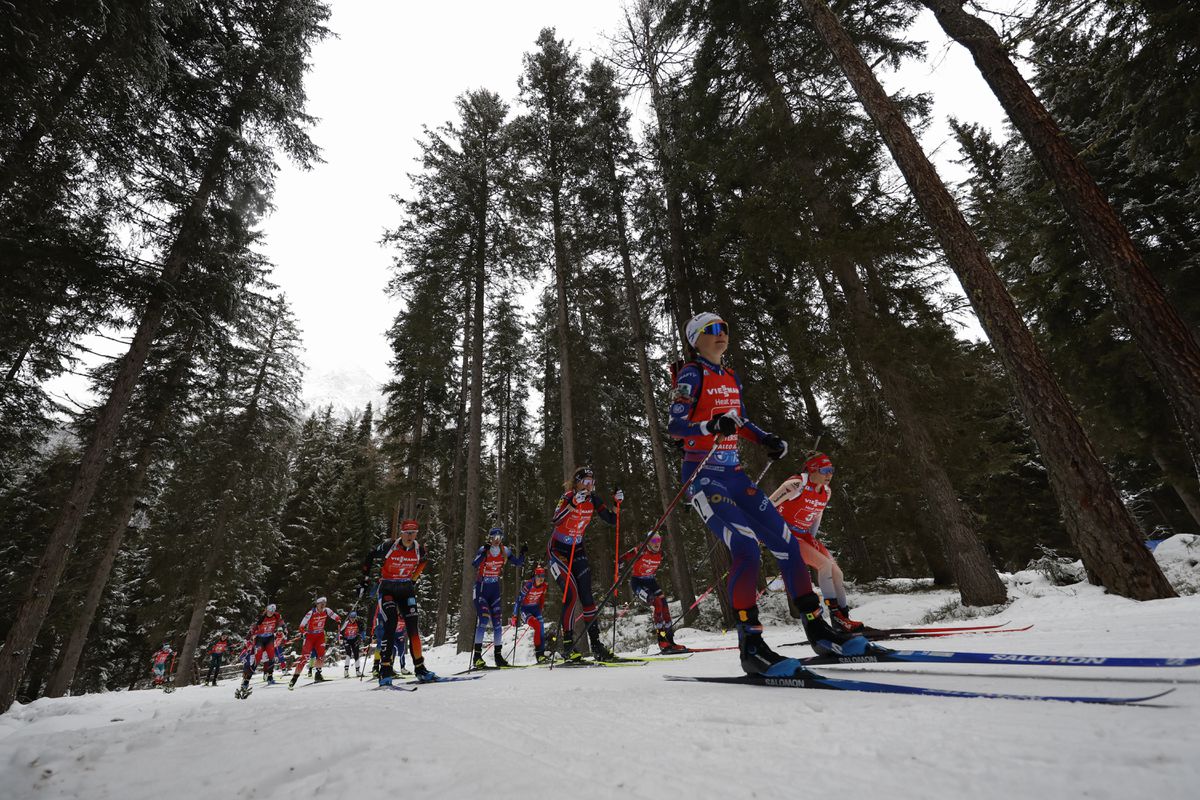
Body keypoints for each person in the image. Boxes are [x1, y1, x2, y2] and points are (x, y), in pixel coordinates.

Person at [668, 312, 867, 675]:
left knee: (788, 544)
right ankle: (752, 643)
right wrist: (710, 424)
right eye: (712, 330)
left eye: (725, 328)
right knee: (745, 546)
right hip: (704, 475)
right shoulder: (690, 374)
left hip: (735, 474)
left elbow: (740, 418)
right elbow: (675, 424)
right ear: (695, 338)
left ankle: (818, 629)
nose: (721, 334)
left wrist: (765, 439)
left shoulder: (729, 376)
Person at [770, 452, 863, 632]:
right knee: (824, 566)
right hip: (786, 535)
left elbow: (816, 515)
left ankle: (843, 619)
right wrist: (764, 532)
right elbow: (765, 505)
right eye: (825, 470)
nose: (829, 475)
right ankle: (837, 617)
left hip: (804, 535)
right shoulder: (796, 484)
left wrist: (812, 540)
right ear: (812, 470)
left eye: (832, 470)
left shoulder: (826, 492)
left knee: (837, 573)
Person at [546, 467, 623, 662]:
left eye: (592, 482)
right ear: (577, 483)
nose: (589, 485)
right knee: (571, 595)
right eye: (585, 481)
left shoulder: (594, 500)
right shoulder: (567, 496)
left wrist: (617, 503)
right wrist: (572, 504)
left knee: (587, 598)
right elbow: (556, 520)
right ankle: (568, 647)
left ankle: (596, 646)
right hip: (558, 551)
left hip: (577, 549)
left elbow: (611, 520)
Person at [362, 518, 436, 684]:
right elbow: (370, 555)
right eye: (407, 533)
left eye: (413, 533)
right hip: (387, 588)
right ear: (402, 533)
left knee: (412, 628)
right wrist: (365, 579)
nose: (410, 536)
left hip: (405, 589)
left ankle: (420, 668)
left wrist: (414, 579)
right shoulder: (390, 546)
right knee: (391, 624)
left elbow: (423, 563)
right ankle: (385, 669)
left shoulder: (419, 549)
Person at [471, 526, 527, 669]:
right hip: (481, 588)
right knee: (483, 619)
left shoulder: (504, 550)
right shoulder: (484, 549)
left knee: (497, 623)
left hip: (494, 589)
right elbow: (475, 564)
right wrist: (483, 552)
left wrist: (523, 554)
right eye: (494, 537)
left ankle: (498, 656)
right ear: (489, 538)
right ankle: (477, 657)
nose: (496, 540)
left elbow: (519, 563)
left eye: (499, 537)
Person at [622, 532, 687, 653]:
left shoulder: (661, 553)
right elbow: (623, 557)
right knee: (657, 603)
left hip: (651, 581)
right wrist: (620, 564)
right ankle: (662, 641)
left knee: (665, 607)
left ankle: (670, 641)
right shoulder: (641, 549)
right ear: (648, 542)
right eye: (654, 541)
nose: (657, 544)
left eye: (659, 540)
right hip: (638, 583)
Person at [289, 597, 341, 689]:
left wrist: (338, 619)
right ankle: (294, 679)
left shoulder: (327, 610)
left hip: (320, 636)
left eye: (324, 603)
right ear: (317, 604)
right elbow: (301, 626)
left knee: (321, 656)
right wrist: (304, 633)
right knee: (305, 658)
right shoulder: (311, 613)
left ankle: (318, 674)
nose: (323, 605)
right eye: (321, 604)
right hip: (310, 637)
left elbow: (335, 616)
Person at [237, 603, 285, 695]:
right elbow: (253, 628)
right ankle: (246, 681)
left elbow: (281, 622)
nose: (271, 613)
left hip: (270, 638)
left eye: (272, 611)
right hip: (260, 639)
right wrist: (247, 637)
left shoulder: (276, 615)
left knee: (272, 657)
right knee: (257, 660)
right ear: (266, 610)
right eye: (269, 611)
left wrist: (284, 628)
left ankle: (270, 677)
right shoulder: (261, 617)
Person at [511, 564, 550, 663]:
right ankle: (539, 654)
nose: (541, 579)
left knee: (541, 629)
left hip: (535, 610)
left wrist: (540, 610)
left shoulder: (544, 586)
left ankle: (541, 654)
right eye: (538, 576)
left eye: (542, 576)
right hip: (525, 610)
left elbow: (541, 598)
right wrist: (515, 615)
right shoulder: (528, 585)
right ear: (534, 576)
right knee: (536, 625)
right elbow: (519, 600)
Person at [340, 611, 364, 678]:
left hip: (354, 640)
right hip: (347, 640)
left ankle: (358, 671)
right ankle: (346, 671)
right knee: (348, 654)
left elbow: (362, 631)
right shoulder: (346, 623)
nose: (352, 619)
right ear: (349, 617)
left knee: (356, 654)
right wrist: (342, 639)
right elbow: (340, 631)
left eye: (354, 617)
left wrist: (360, 637)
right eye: (351, 617)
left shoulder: (358, 623)